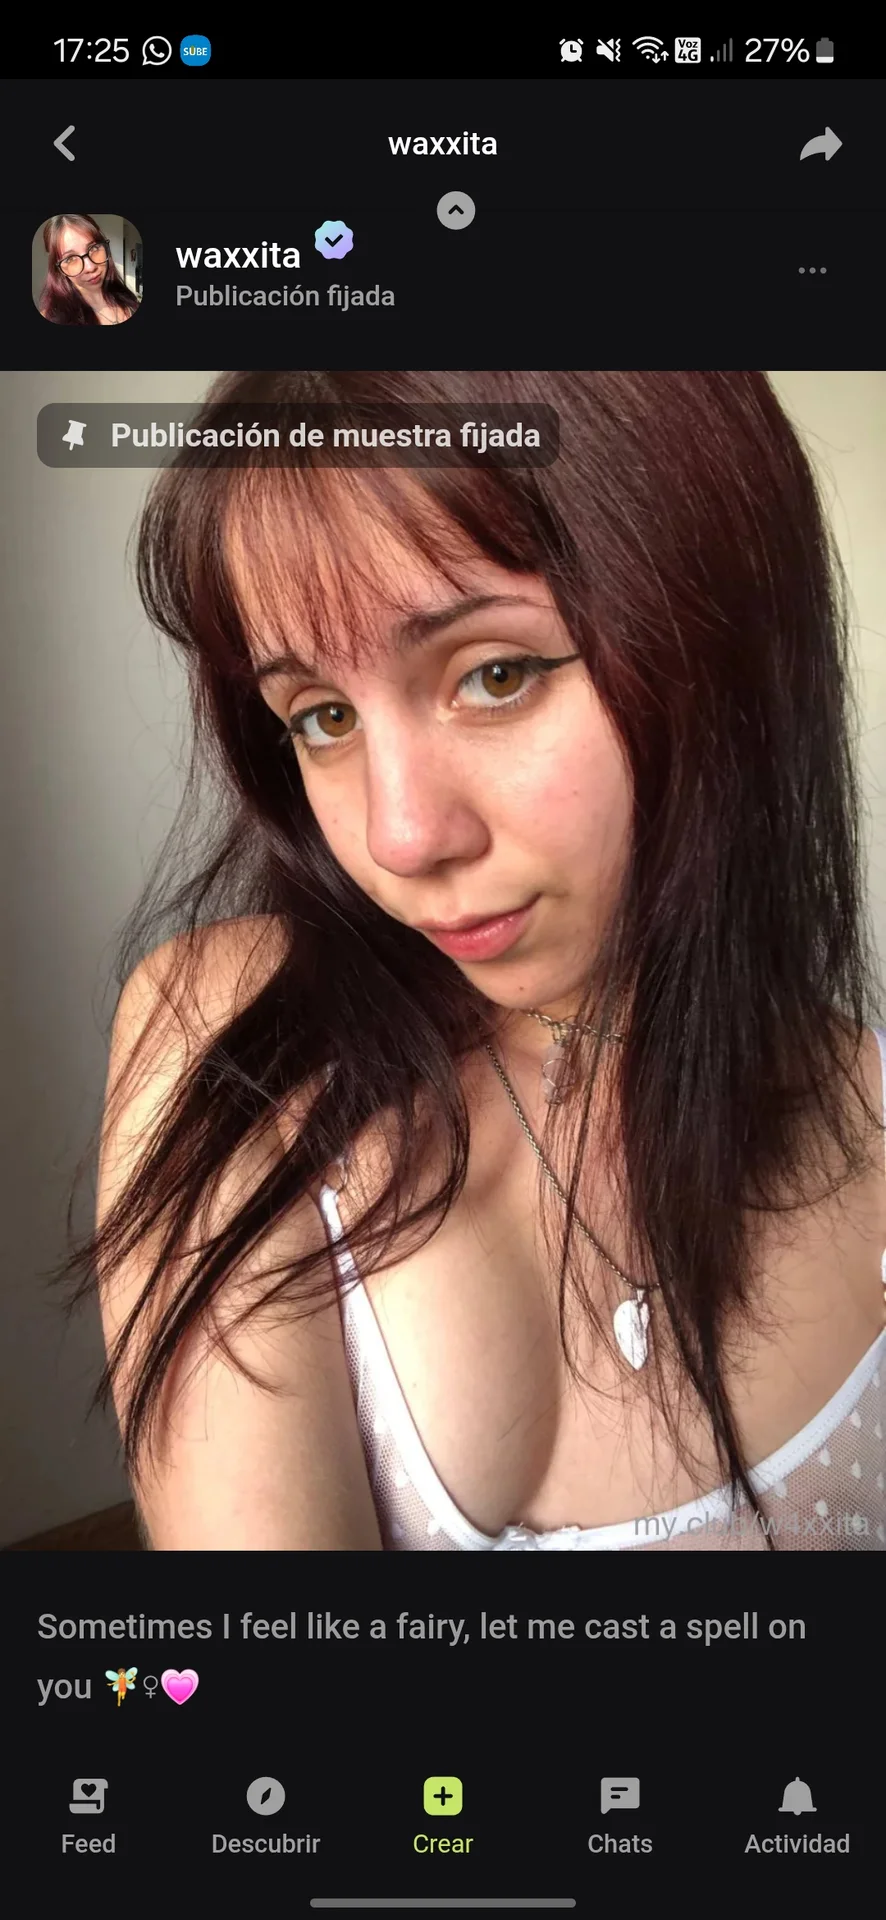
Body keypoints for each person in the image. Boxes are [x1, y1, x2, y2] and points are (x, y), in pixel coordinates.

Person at [66, 370, 886, 1550]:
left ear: (726, 638)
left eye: (494, 674)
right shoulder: (242, 1043)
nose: (398, 839)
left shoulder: (864, 1118)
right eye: (322, 716)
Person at [39, 214, 138, 326]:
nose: (90, 267)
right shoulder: (52, 318)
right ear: (60, 269)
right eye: (71, 258)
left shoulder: (128, 299)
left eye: (94, 248)